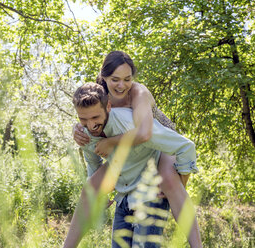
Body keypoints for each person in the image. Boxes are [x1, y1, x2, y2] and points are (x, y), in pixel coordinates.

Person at [65, 51, 202, 247]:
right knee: (91, 188)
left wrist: (110, 143)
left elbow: (144, 133)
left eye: (127, 79)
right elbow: (89, 114)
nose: (122, 85)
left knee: (169, 181)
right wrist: (78, 128)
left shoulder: (138, 93)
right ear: (103, 77)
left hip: (159, 142)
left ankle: (196, 243)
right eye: (115, 79)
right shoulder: (99, 96)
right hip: (128, 149)